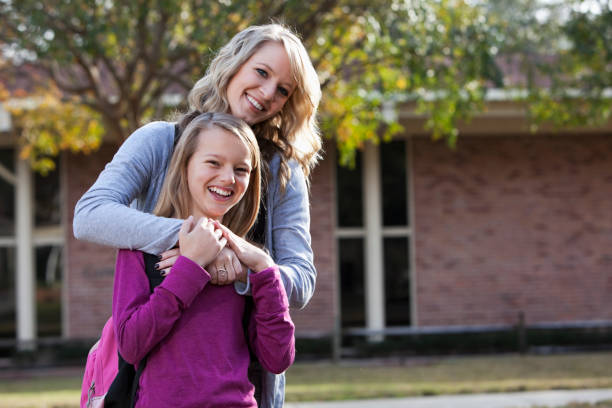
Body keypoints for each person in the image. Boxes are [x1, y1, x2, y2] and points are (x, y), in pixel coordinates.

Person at [73, 23, 321, 407]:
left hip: (243, 387)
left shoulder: (280, 172)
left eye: (284, 89)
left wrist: (240, 265)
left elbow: (301, 280)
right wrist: (197, 241)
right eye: (262, 72)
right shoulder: (159, 141)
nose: (268, 92)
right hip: (153, 382)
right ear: (234, 63)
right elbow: (89, 215)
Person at [113, 112, 294, 407]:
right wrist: (191, 267)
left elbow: (278, 359)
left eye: (241, 169)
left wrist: (265, 269)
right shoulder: (140, 247)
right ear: (185, 164)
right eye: (213, 162)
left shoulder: (244, 258)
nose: (228, 178)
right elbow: (131, 346)